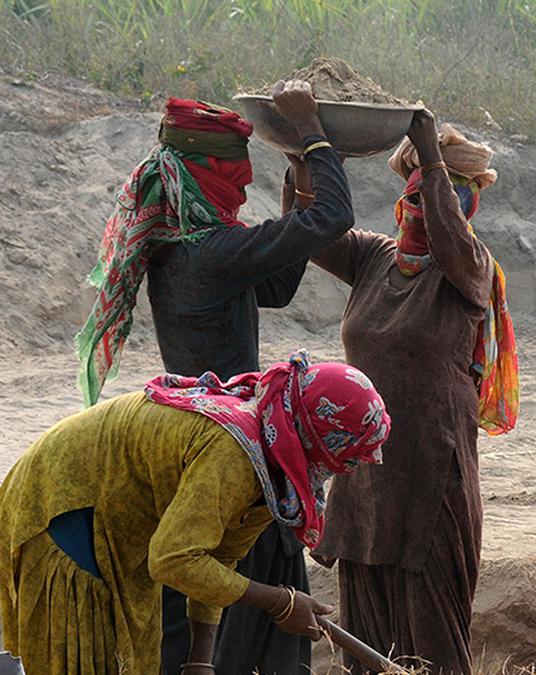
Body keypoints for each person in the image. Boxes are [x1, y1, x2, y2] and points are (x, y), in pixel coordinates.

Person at [72, 81, 356, 673]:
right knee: (236, 613)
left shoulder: (186, 247)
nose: (246, 181)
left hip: (228, 438)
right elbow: (335, 218)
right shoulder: (211, 252)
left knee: (229, 621)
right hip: (227, 451)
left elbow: (275, 288)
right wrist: (312, 132)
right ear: (205, 174)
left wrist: (299, 186)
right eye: (236, 170)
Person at [0, 353, 392, 674]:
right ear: (318, 437)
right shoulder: (236, 453)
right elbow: (173, 560)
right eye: (350, 456)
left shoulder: (276, 455)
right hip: (67, 506)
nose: (352, 468)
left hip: (122, 519)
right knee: (85, 657)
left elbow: (218, 556)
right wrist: (279, 602)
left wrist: (200, 661)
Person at [308, 111, 518, 674]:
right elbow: (310, 226)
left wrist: (429, 153)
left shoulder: (469, 268)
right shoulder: (373, 257)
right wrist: (306, 147)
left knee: (434, 652)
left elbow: (450, 239)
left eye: (452, 196)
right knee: (367, 651)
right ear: (404, 197)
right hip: (365, 481)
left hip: (432, 482)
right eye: (424, 194)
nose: (434, 206)